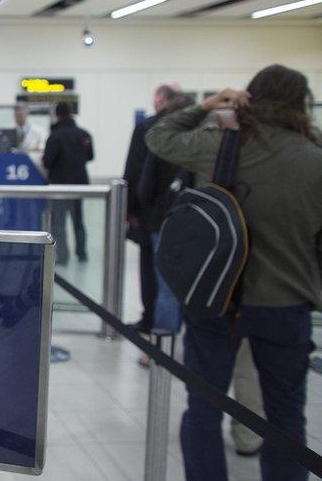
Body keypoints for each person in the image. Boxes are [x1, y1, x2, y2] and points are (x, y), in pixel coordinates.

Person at [145, 64, 321, 481]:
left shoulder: (221, 144)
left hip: (216, 299)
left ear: (250, 98)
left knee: (204, 407)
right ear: (301, 105)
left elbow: (158, 136)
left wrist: (207, 104)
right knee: (285, 417)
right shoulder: (315, 160)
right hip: (286, 306)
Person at [123, 83, 181, 333]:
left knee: (151, 269)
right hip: (190, 212)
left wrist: (129, 209)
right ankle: (175, 322)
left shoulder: (149, 128)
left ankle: (153, 321)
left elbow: (135, 171)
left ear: (160, 99)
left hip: (153, 212)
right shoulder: (197, 131)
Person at [42, 102, 93, 265]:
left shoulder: (55, 136)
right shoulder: (84, 134)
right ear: (71, 113)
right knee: (78, 220)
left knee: (59, 222)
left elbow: (47, 161)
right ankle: (82, 253)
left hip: (60, 184)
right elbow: (90, 156)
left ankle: (62, 256)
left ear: (57, 114)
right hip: (79, 184)